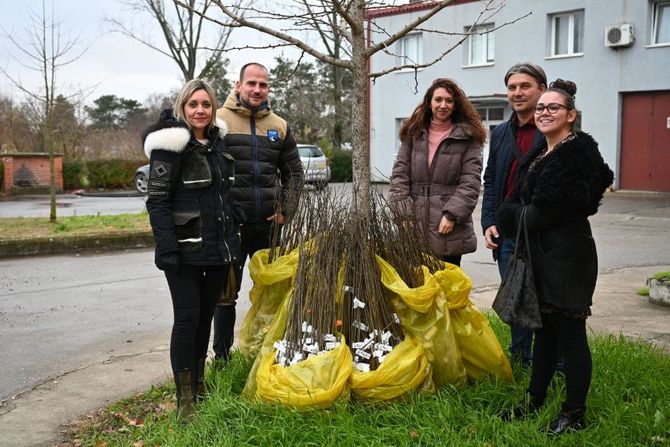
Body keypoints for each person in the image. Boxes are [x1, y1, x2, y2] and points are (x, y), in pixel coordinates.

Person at [497, 79, 614, 435]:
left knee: (570, 336)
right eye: (540, 108)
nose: (544, 112)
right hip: (541, 256)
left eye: (553, 108)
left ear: (571, 115)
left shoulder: (577, 156)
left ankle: (574, 415)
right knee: (543, 333)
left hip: (568, 259)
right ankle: (534, 401)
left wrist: (513, 215)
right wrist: (514, 213)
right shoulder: (542, 153)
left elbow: (533, 216)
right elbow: (515, 205)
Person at [143, 79, 242, 421]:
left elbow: (222, 194)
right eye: (193, 105)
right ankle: (184, 402)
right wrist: (167, 249)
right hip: (183, 253)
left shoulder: (217, 145)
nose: (200, 110)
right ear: (183, 108)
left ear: (214, 109)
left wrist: (235, 220)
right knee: (186, 320)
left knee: (204, 319)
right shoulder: (168, 147)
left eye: (206, 105)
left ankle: (199, 386)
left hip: (216, 249)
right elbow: (157, 201)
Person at [213, 62, 303, 361]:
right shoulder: (218, 121)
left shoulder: (279, 126)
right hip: (230, 227)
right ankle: (223, 359)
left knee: (273, 291)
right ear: (238, 85)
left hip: (268, 225)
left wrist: (286, 210)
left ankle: (267, 354)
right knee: (225, 294)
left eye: (263, 84)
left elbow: (294, 173)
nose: (257, 89)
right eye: (251, 83)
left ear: (269, 88)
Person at [481, 62, 547, 367]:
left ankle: (554, 362)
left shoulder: (552, 129)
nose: (517, 93)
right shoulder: (501, 133)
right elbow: (491, 178)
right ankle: (521, 360)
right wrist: (489, 222)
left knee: (548, 302)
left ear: (542, 90)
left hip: (543, 233)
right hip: (507, 234)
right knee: (515, 298)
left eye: (525, 86)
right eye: (512, 87)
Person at [389, 78, 485, 266]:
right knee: (416, 288)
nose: (443, 105)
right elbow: (399, 177)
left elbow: (470, 182)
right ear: (429, 102)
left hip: (449, 227)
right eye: (438, 99)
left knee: (446, 289)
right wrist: (404, 214)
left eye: (449, 100)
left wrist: (452, 215)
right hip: (413, 224)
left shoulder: (467, 137)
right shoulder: (413, 133)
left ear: (456, 105)